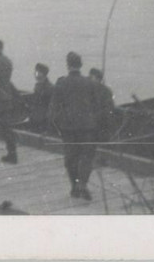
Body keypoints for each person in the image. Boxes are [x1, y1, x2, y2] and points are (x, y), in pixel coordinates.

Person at [49, 51, 100, 200]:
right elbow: (96, 105)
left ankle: (74, 186)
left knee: (70, 157)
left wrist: (55, 124)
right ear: (81, 65)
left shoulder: (61, 82)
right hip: (87, 126)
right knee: (86, 156)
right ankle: (83, 184)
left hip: (68, 127)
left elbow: (53, 107)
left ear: (68, 65)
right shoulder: (89, 82)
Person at [88, 68, 116, 143]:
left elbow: (108, 110)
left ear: (98, 79)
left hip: (99, 125)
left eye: (91, 78)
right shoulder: (105, 90)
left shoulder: (105, 91)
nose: (89, 80)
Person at [29, 63, 54, 131]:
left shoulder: (49, 87)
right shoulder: (38, 85)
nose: (34, 73)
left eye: (37, 72)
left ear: (42, 73)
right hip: (35, 117)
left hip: (42, 119)